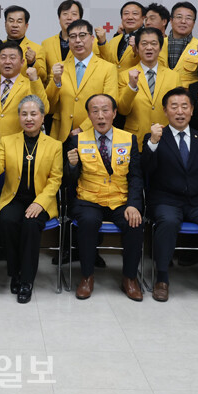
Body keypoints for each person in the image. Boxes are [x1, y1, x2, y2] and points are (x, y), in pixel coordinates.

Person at [143, 87, 198, 303]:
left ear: (192, 110)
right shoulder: (154, 137)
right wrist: (152, 143)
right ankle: (162, 278)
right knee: (168, 221)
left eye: (185, 106)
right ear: (165, 111)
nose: (180, 112)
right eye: (174, 107)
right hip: (166, 200)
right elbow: (145, 171)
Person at [65, 94, 144, 301]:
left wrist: (134, 205)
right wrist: (71, 166)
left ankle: (130, 278)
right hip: (88, 199)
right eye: (95, 111)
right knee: (88, 221)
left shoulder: (129, 139)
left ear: (115, 113)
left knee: (134, 222)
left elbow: (136, 176)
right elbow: (69, 180)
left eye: (105, 110)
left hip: (120, 200)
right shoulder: (77, 140)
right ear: (89, 115)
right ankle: (86, 276)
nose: (101, 116)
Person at [0, 95, 62, 303]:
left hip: (41, 200)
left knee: (31, 224)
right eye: (24, 114)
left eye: (33, 114)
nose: (29, 118)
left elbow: (55, 180)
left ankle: (27, 281)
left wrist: (39, 203)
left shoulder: (55, 145)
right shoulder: (7, 141)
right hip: (13, 198)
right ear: (19, 117)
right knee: (8, 220)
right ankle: (15, 273)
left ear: (42, 117)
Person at [46, 19, 118, 141]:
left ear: (92, 38)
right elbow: (49, 107)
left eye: (82, 35)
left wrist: (82, 128)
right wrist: (56, 82)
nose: (78, 40)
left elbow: (109, 105)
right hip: (62, 135)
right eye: (73, 37)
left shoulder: (108, 68)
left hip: (93, 134)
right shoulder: (59, 68)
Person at [116, 27, 182, 149]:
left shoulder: (174, 76)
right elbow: (123, 110)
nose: (149, 47)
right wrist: (131, 86)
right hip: (136, 140)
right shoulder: (125, 76)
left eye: (154, 43)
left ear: (160, 48)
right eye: (144, 44)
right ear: (136, 48)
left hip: (166, 139)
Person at [0, 41, 48, 138]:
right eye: (3, 57)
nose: (7, 61)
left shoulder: (30, 85)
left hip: (18, 145)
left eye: (12, 58)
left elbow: (45, 109)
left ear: (22, 62)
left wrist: (35, 81)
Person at [41, 0, 100, 85]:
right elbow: (43, 76)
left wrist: (103, 43)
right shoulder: (46, 44)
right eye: (65, 14)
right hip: (54, 89)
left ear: (80, 18)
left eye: (74, 14)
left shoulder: (92, 42)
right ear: (59, 18)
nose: (69, 18)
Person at [166, 2, 198, 87]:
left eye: (188, 18)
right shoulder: (158, 44)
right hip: (160, 93)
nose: (183, 21)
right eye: (179, 17)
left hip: (188, 94)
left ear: (193, 23)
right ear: (171, 21)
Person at [3, 5, 47, 79]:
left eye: (19, 21)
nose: (15, 25)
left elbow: (43, 77)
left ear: (26, 26)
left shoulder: (37, 49)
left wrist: (32, 63)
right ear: (5, 24)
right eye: (11, 21)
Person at [104, 1, 146, 68]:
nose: (130, 17)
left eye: (135, 14)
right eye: (126, 13)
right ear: (121, 18)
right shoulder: (114, 40)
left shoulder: (148, 39)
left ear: (143, 18)